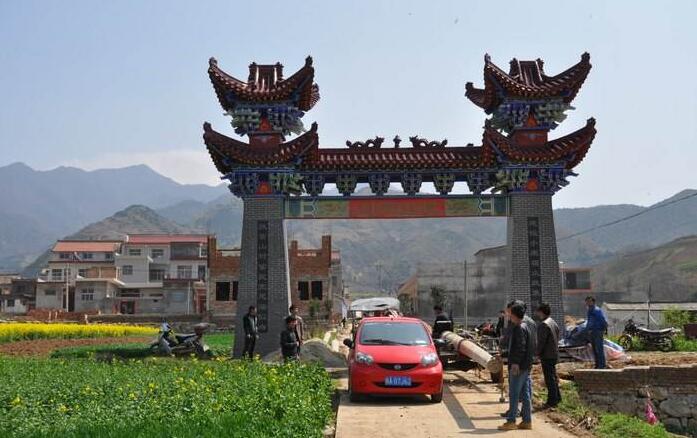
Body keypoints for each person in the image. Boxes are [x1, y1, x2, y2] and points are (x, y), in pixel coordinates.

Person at [498, 302, 534, 431]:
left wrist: (515, 363)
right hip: (526, 365)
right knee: (525, 394)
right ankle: (527, 421)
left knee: (514, 394)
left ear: (513, 315)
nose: (508, 316)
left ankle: (511, 421)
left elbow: (520, 347)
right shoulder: (526, 326)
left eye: (509, 313)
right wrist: (505, 354)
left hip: (518, 367)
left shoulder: (519, 328)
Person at [535, 303, 561, 408]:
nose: (537, 314)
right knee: (553, 377)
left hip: (547, 355)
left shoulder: (544, 325)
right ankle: (557, 397)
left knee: (549, 379)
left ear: (542, 312)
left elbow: (541, 342)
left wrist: (537, 353)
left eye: (538, 312)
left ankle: (552, 401)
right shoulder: (553, 322)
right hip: (553, 353)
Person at [585, 296, 608, 369]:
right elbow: (589, 322)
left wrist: (603, 329)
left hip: (597, 331)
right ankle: (597, 364)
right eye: (587, 302)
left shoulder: (596, 310)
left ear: (593, 302)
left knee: (599, 348)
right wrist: (587, 330)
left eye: (589, 301)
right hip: (592, 332)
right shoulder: (589, 311)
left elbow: (602, 320)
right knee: (594, 349)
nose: (588, 303)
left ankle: (602, 365)